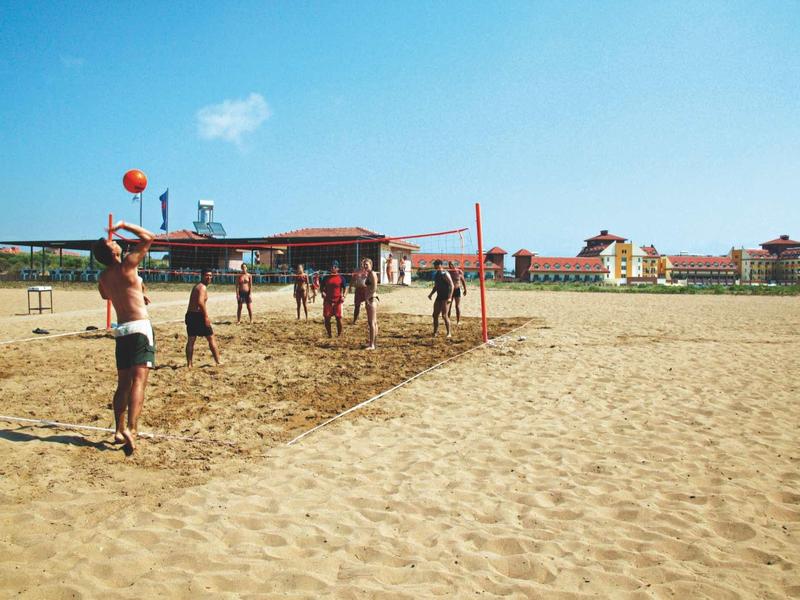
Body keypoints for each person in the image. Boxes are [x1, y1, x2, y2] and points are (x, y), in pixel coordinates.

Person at [93, 221, 155, 453]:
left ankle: (118, 430)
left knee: (122, 384)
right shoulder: (128, 264)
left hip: (122, 330)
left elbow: (104, 295)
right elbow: (149, 237)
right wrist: (125, 225)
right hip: (140, 327)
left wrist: (134, 292)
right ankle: (132, 428)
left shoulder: (103, 277)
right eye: (113, 242)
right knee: (139, 382)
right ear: (114, 251)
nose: (116, 240)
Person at [185, 269, 221, 367]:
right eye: (207, 275)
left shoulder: (197, 286)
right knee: (211, 338)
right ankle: (218, 361)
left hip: (190, 315)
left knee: (191, 340)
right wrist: (206, 317)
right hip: (198, 316)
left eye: (210, 275)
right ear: (202, 276)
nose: (209, 277)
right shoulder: (202, 287)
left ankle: (189, 364)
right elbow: (200, 303)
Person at [428, 259, 454, 338]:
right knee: (435, 315)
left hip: (446, 297)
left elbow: (452, 285)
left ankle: (449, 333)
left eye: (435, 265)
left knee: (444, 315)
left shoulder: (445, 273)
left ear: (440, 265)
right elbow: (436, 286)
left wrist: (449, 297)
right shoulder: (437, 274)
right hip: (439, 296)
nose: (434, 266)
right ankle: (435, 332)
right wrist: (431, 294)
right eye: (434, 265)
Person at [321, 260, 347, 337]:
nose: (333, 268)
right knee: (327, 319)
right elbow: (321, 288)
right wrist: (322, 292)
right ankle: (330, 335)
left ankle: (339, 335)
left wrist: (344, 296)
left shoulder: (341, 278)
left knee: (338, 319)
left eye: (335, 266)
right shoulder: (326, 278)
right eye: (332, 266)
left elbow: (346, 288)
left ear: (338, 268)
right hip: (328, 301)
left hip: (338, 301)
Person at [362, 258, 379, 350]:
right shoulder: (368, 274)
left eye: (366, 264)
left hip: (372, 299)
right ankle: (373, 343)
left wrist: (368, 299)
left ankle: (372, 345)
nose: (365, 266)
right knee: (373, 322)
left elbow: (374, 288)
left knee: (372, 322)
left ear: (371, 265)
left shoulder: (372, 273)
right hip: (370, 299)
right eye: (364, 264)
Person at [447, 261, 468, 325]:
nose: (451, 266)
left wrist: (465, 289)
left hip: (457, 289)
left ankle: (458, 321)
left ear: (455, 265)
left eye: (452, 265)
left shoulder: (459, 271)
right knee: (449, 306)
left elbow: (463, 280)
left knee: (457, 306)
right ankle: (448, 320)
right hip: (450, 290)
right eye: (450, 265)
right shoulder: (448, 272)